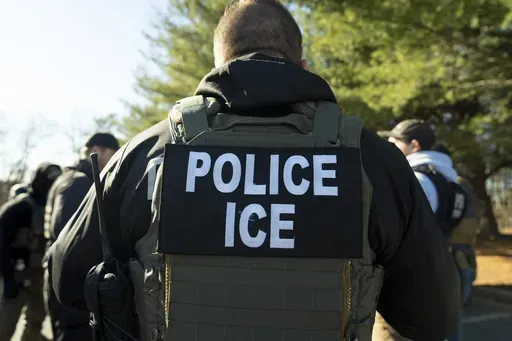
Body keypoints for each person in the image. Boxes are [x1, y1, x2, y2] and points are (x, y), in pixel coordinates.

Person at [50, 1, 460, 341]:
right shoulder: (374, 159)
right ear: (300, 63)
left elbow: (66, 282)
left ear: (218, 64)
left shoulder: (146, 152)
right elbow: (431, 319)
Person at [378, 120, 468, 341]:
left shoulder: (416, 179)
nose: (389, 146)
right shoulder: (448, 178)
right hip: (444, 270)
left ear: (414, 145)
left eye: (395, 142)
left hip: (410, 282)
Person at [43, 133, 119, 341]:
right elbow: (70, 240)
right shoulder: (78, 183)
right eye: (112, 156)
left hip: (62, 273)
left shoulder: (69, 179)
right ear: (96, 151)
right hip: (70, 278)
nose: (113, 163)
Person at [0, 162, 62, 341]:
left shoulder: (55, 208)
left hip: (41, 275)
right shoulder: (18, 208)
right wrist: (9, 277)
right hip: (16, 274)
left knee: (35, 321)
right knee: (6, 322)